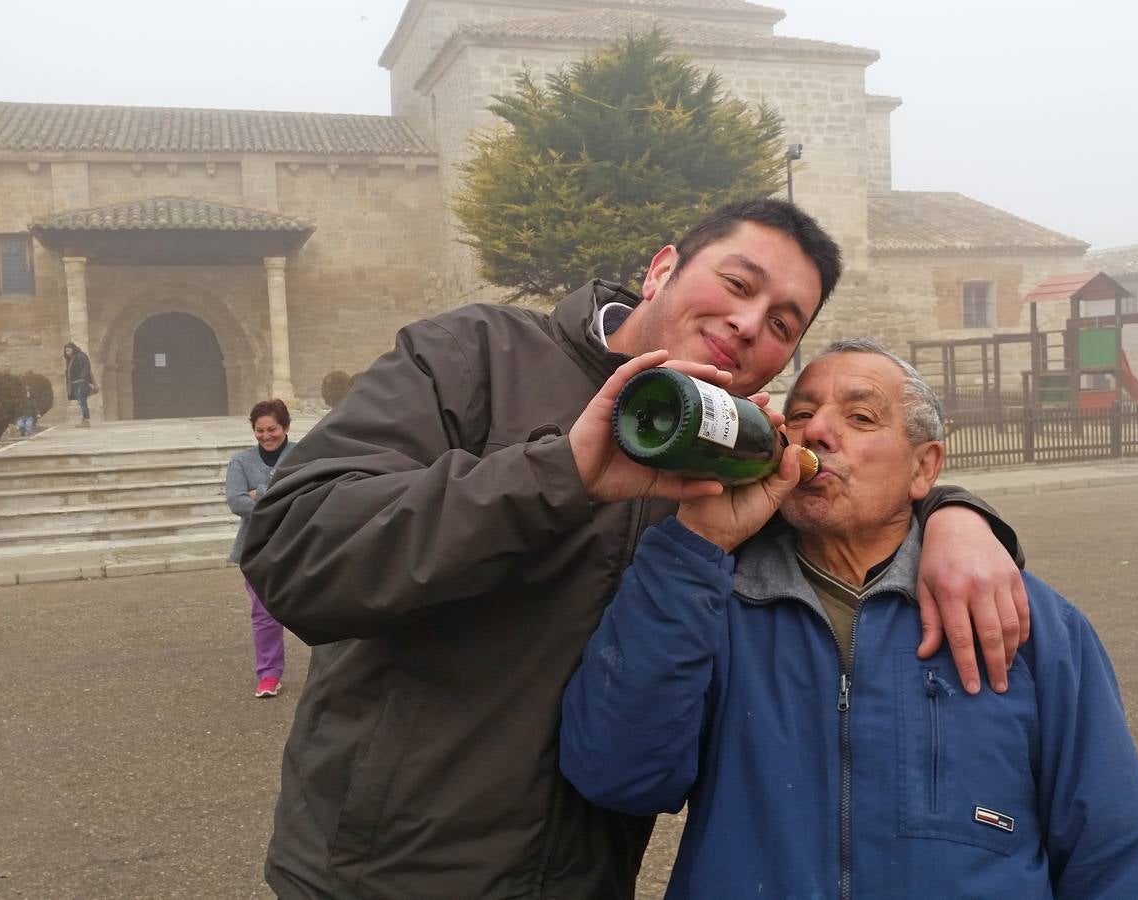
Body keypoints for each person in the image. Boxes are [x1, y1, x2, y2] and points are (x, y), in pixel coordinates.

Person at [242, 199, 1031, 898]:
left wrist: (959, 517)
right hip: (379, 874)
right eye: (738, 284)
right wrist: (563, 472)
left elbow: (859, 493)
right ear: (661, 271)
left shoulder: (725, 463)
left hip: (581, 878)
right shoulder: (476, 355)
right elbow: (292, 548)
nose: (752, 323)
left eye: (784, 323)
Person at [561, 339, 1138, 899]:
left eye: (861, 418)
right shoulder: (713, 600)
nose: (817, 431)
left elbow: (1110, 846)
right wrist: (694, 546)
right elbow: (618, 776)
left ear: (924, 470)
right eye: (801, 415)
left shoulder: (1025, 619)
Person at [225, 399, 296, 699]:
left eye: (273, 429)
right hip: (257, 549)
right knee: (263, 614)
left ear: (286, 427)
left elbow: (309, 495)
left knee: (323, 606)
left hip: (299, 544)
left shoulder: (302, 455)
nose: (267, 436)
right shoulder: (240, 462)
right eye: (260, 430)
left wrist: (260, 494)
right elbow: (236, 501)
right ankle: (268, 674)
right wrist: (279, 496)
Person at [62, 342, 94, 427]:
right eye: (66, 351)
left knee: (82, 402)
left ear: (73, 349)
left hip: (81, 383)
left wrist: (82, 378)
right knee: (81, 402)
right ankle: (84, 420)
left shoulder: (80, 355)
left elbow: (86, 367)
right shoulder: (71, 359)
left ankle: (86, 421)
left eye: (68, 350)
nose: (67, 352)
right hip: (75, 383)